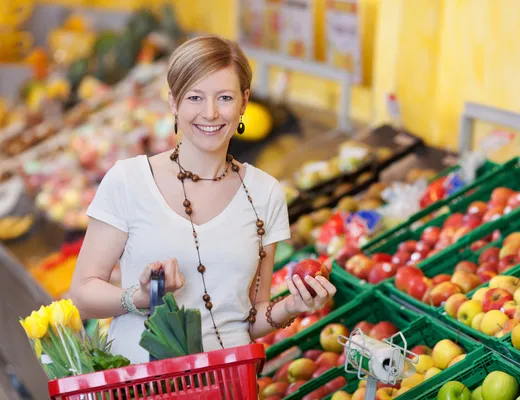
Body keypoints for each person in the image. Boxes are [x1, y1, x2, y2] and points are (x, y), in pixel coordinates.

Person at [69, 34, 337, 364]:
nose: (210, 113)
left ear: (244, 101)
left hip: (227, 383)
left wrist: (293, 306)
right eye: (195, 97)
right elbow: (82, 293)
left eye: (224, 97)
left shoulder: (265, 195)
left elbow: (250, 319)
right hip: (140, 384)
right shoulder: (129, 181)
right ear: (173, 102)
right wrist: (139, 297)